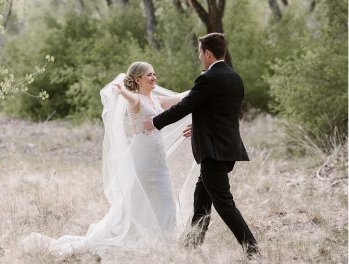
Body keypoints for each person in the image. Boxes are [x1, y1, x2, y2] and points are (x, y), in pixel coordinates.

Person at [22, 62, 188, 254]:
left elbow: (180, 99)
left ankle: (164, 243)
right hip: (142, 158)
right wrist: (121, 90)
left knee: (166, 198)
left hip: (159, 160)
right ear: (138, 79)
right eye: (149, 75)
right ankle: (139, 238)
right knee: (136, 201)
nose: (154, 78)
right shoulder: (136, 100)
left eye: (154, 74)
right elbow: (129, 96)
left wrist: (203, 85)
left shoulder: (157, 100)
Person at [144, 33, 259, 258]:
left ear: (207, 53)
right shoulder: (235, 77)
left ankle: (253, 250)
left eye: (200, 52)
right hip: (228, 149)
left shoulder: (208, 78)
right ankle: (191, 246)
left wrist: (155, 122)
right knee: (202, 198)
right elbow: (221, 112)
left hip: (213, 152)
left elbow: (185, 106)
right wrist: (198, 127)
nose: (199, 57)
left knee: (224, 203)